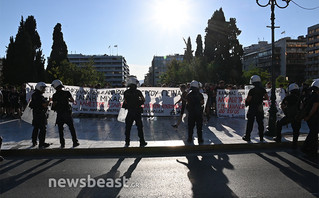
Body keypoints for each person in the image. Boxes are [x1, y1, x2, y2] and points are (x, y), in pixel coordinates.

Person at [51, 79, 79, 148]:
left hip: (60, 114)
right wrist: (67, 99)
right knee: (71, 128)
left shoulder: (54, 95)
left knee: (60, 130)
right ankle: (75, 142)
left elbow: (54, 105)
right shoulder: (67, 93)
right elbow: (72, 100)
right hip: (67, 113)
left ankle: (62, 144)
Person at [273, 83, 301, 148]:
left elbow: (282, 105)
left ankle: (278, 138)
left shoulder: (288, 97)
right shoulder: (300, 97)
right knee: (296, 130)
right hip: (297, 116)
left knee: (279, 124)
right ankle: (294, 144)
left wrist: (286, 112)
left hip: (289, 116)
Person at [243, 75, 269, 142]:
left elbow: (248, 99)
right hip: (259, 107)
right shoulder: (263, 89)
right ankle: (261, 137)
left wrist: (246, 102)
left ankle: (247, 136)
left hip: (252, 107)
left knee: (250, 123)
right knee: (260, 122)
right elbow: (267, 98)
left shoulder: (252, 90)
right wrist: (261, 99)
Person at [123, 76, 147, 147]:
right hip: (137, 111)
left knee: (128, 127)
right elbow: (143, 100)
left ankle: (127, 142)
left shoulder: (126, 92)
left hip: (130, 111)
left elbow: (125, 101)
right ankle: (142, 141)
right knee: (139, 127)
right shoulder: (138, 92)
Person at [29, 82, 50, 148]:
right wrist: (49, 101)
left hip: (35, 113)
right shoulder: (40, 96)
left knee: (36, 128)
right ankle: (41, 143)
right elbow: (44, 105)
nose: (44, 89)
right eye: (43, 88)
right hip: (40, 114)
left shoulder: (34, 95)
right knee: (43, 129)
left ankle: (34, 141)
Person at [301, 79, 319, 156]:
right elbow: (314, 108)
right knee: (313, 134)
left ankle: (310, 149)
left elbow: (302, 105)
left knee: (313, 133)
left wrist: (306, 116)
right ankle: (308, 149)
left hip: (309, 118)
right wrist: (309, 116)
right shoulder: (317, 97)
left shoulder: (309, 96)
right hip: (314, 117)